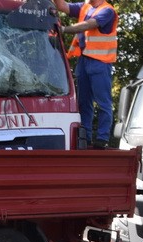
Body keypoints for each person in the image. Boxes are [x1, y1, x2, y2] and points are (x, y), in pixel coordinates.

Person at [54, 0, 118, 148]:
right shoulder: (85, 6)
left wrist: (64, 29)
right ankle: (86, 138)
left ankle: (102, 139)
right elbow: (62, 6)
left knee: (103, 103)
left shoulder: (107, 10)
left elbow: (89, 24)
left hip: (100, 62)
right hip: (84, 60)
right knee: (84, 102)